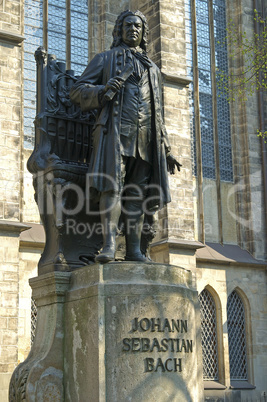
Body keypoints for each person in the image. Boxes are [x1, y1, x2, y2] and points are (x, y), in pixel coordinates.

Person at [70, 10, 181, 263]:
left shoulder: (152, 68)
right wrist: (102, 90)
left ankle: (133, 250)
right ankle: (109, 246)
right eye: (128, 25)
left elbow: (158, 111)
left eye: (138, 26)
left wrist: (165, 148)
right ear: (119, 30)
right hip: (114, 133)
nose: (133, 29)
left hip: (145, 138)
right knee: (113, 187)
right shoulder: (105, 59)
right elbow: (76, 91)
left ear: (143, 33)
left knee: (137, 195)